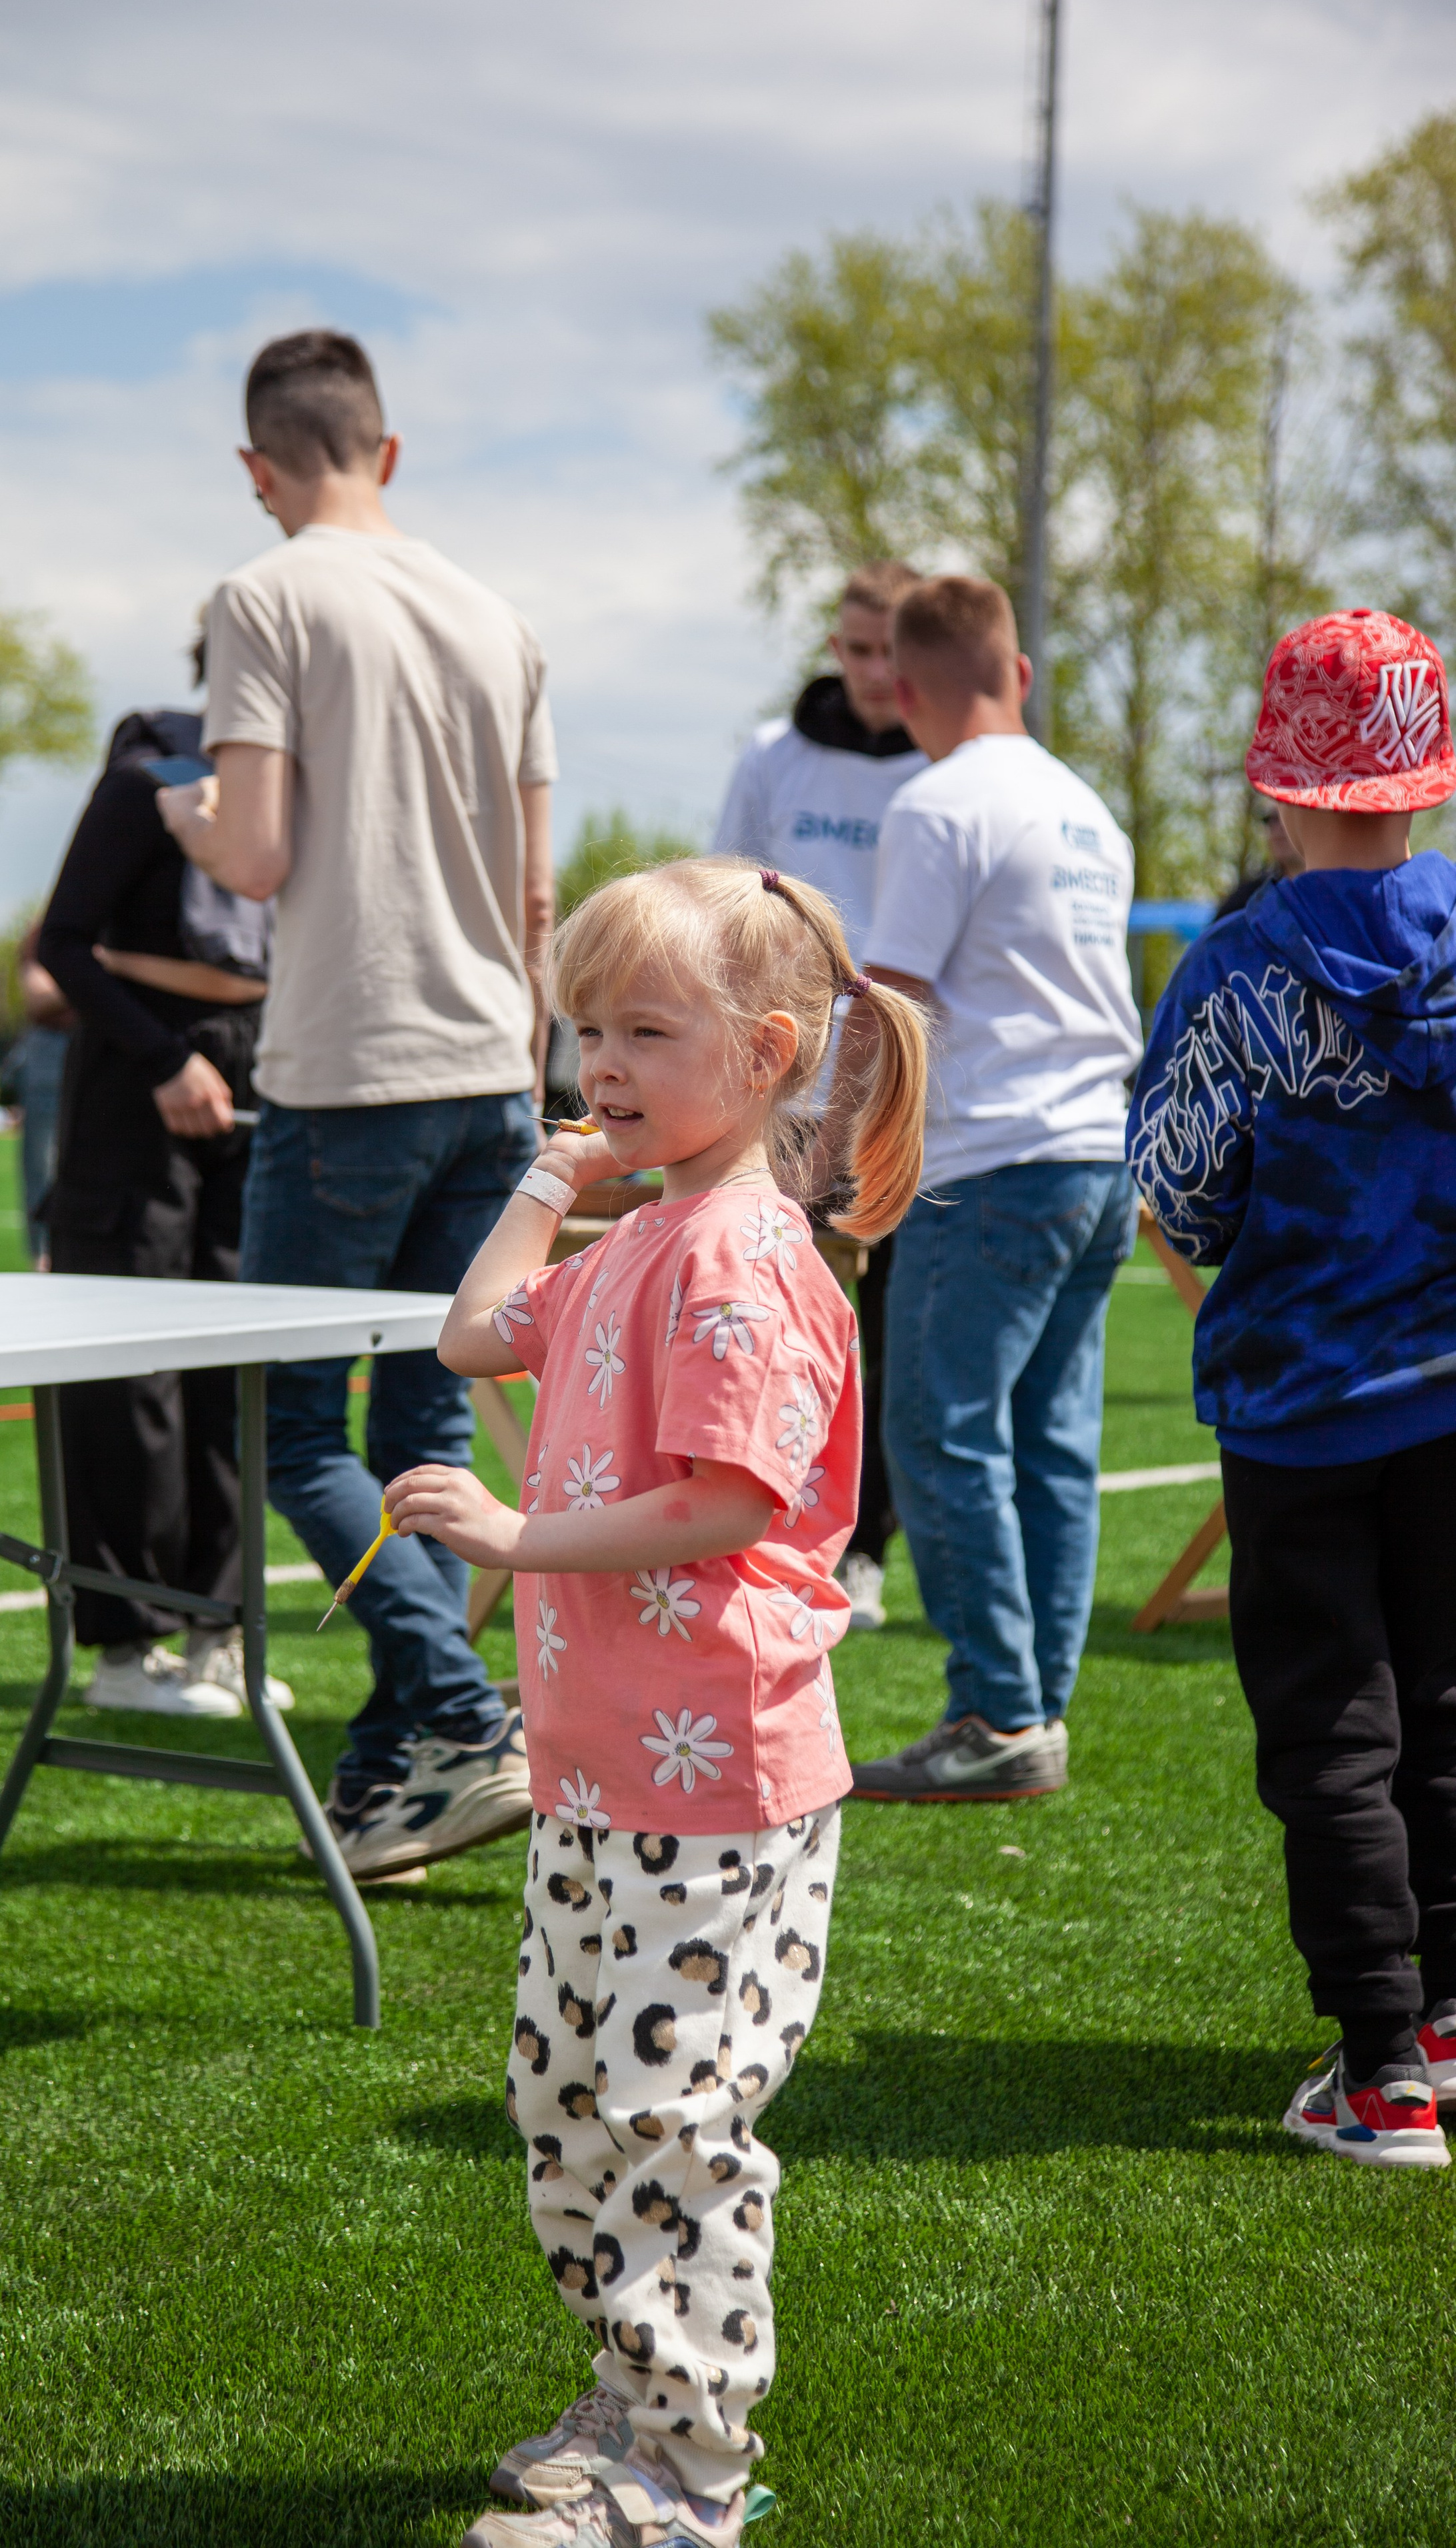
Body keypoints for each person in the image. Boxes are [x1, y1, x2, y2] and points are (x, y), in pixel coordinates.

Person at [381, 856, 926, 2548]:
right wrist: (548, 1179)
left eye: (641, 1029)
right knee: (564, 2092)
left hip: (719, 1778)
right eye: (583, 1029)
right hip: (595, 1768)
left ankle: (688, 2474)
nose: (597, 1063)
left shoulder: (741, 1259)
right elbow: (475, 1336)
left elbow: (725, 1502)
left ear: (764, 1052)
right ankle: (626, 2384)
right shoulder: (636, 1239)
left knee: (674, 2111)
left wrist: (516, 1533)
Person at [157, 327, 555, 1881]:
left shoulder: (265, 597)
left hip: (345, 1069)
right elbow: (532, 887)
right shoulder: (494, 613)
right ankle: (405, 1754)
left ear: (260, 469)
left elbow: (253, 856)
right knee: (424, 1417)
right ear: (385, 451)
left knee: (290, 1424)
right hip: (484, 1070)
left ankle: (455, 1711)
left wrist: (185, 816)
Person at [1129, 609, 1456, 2171]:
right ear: (1429, 778)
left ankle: (1380, 2064)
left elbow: (1180, 1193)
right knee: (1442, 1708)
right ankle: (1441, 2018)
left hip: (1297, 1408)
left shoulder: (1232, 968)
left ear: (1276, 786)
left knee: (1330, 1729)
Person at [839, 575, 1142, 1803]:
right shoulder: (1089, 812)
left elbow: (891, 1003)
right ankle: (1033, 1708)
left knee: (936, 1431)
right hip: (1096, 1160)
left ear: (906, 692)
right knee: (1051, 1445)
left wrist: (824, 1161)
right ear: (1019, 673)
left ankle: (998, 1712)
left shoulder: (937, 802)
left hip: (994, 1164)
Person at [38, 704, 291, 1722]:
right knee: (124, 1359)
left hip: (257, 1074)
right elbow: (62, 943)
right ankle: (124, 1647)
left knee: (232, 1362)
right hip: (139, 1085)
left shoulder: (289, 793)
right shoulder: (147, 784)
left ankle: (217, 1631)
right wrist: (162, 1057)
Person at [710, 557, 928, 1633]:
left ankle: (862, 1545)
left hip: (891, 1088)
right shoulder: (774, 756)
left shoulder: (943, 771)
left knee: (869, 1330)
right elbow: (720, 902)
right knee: (755, 1309)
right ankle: (741, 1518)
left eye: (892, 649)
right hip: (777, 1081)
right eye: (855, 648)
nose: (873, 671)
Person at [0, 928, 74, 1268]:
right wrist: (105, 979)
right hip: (51, 1053)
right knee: (42, 1164)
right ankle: (42, 1257)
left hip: (112, 1050)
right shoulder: (46, 928)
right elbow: (38, 998)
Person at [1213, 796, 1305, 922]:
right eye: (1269, 820)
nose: (1278, 829)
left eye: (1286, 818)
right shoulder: (1247, 898)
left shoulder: (1332, 893)